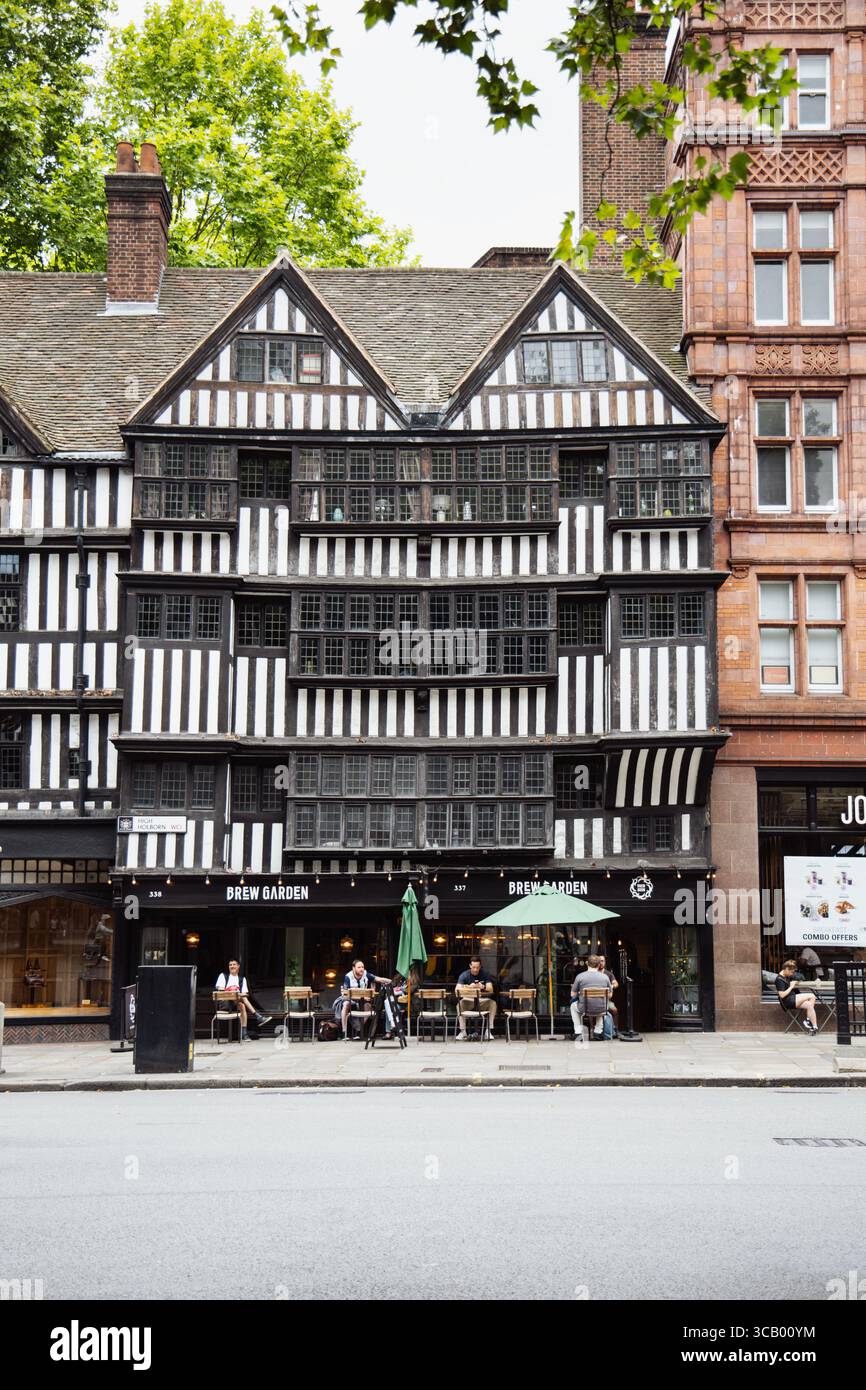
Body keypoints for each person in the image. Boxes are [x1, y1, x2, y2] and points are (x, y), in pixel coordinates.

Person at [215, 960, 272, 1041]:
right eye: (230, 965)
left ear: (238, 966)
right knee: (240, 998)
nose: (232, 966)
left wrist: (237, 994)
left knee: (242, 1006)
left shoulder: (242, 979)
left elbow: (244, 994)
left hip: (236, 1003)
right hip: (225, 1003)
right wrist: (233, 993)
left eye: (234, 964)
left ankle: (244, 1034)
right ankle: (258, 1016)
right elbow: (220, 991)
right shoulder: (223, 976)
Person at [340, 959, 391, 1039]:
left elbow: (379, 979)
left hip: (363, 1001)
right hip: (351, 1000)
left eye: (362, 967)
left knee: (368, 1006)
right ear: (353, 968)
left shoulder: (366, 974)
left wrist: (391, 981)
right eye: (359, 967)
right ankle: (344, 1032)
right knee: (345, 1004)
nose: (361, 969)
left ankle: (358, 1029)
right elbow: (345, 993)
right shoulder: (348, 977)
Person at [570, 954, 612, 1040]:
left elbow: (572, 994)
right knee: (602, 1005)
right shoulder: (605, 977)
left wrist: (579, 993)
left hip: (584, 1008)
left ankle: (578, 1032)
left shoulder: (580, 976)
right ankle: (598, 1031)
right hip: (601, 1008)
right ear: (599, 965)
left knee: (572, 1007)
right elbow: (610, 995)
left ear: (587, 963)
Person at [455, 956, 497, 1039]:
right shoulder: (464, 975)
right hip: (468, 1001)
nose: (475, 969)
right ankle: (463, 1031)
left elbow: (491, 989)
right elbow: (457, 990)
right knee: (460, 1004)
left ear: (480, 966)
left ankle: (488, 1031)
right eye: (473, 967)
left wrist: (483, 986)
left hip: (481, 1001)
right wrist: (469, 987)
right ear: (470, 966)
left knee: (493, 1003)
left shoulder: (485, 974)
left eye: (477, 967)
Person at [775, 959, 819, 1034]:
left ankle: (814, 1027)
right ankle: (808, 1021)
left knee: (809, 1005)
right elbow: (782, 995)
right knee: (812, 996)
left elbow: (800, 977)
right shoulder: (779, 979)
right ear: (786, 969)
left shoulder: (787, 976)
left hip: (793, 998)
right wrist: (791, 987)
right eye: (791, 972)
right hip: (788, 1001)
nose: (792, 974)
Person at [596, 953, 619, 1033]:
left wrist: (611, 987)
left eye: (602, 961)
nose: (600, 963)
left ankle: (614, 1029)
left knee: (614, 1010)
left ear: (605, 962)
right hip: (594, 1000)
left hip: (606, 1000)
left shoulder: (608, 974)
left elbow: (616, 983)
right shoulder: (593, 973)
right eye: (599, 961)